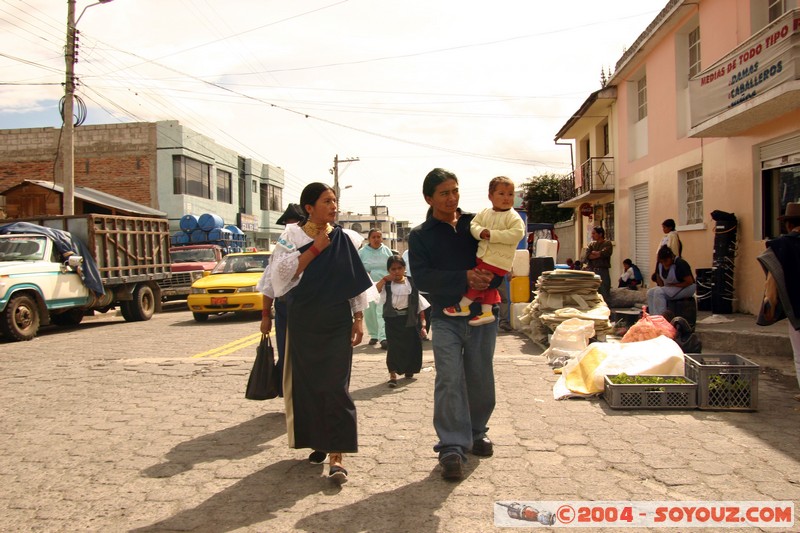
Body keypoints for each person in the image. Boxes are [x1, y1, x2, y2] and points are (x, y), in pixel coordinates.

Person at [256, 183, 375, 484]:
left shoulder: (344, 238)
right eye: (326, 201)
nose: (333, 206)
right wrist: (314, 249)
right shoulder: (290, 236)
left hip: (336, 320)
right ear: (309, 207)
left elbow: (353, 280)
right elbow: (278, 277)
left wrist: (358, 318)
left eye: (335, 201)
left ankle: (338, 455)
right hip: (303, 320)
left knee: (336, 386)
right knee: (309, 386)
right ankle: (319, 441)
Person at [408, 168, 498, 481]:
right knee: (448, 377)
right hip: (445, 316)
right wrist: (464, 277)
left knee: (480, 375)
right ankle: (451, 445)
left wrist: (492, 276)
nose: (452, 198)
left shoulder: (479, 224)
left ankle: (476, 431)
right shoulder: (420, 235)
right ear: (429, 198)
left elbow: (499, 255)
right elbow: (422, 278)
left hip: (482, 314)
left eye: (455, 191)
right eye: (444, 193)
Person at [443, 176, 526, 326]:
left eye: (510, 194)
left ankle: (463, 305)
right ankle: (487, 312)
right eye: (501, 193)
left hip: (498, 260)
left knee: (478, 279)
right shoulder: (485, 213)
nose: (506, 198)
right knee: (487, 285)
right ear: (490, 196)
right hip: (484, 256)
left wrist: (492, 235)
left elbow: (517, 234)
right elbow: (474, 225)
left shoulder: (513, 216)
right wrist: (480, 232)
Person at [756, 202, 800, 402]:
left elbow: (772, 277)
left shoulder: (781, 246)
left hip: (797, 307)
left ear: (788, 225)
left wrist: (770, 304)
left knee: (799, 354)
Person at [268, 203, 306, 397]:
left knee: (305, 357)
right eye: (287, 223)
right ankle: (290, 397)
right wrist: (265, 315)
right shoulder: (280, 249)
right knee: (286, 353)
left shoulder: (315, 243)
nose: (290, 227)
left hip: (307, 309)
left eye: (295, 223)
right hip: (283, 307)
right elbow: (268, 281)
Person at [376, 255, 430, 387]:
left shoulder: (411, 282)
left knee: (411, 346)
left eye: (399, 268)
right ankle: (393, 374)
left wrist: (423, 324)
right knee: (394, 348)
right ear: (389, 270)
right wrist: (383, 280)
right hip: (393, 320)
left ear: (404, 268)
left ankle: (409, 369)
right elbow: (375, 291)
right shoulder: (387, 284)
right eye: (393, 269)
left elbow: (419, 305)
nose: (396, 271)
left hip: (410, 320)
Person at [358, 229, 393, 349]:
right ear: (369, 239)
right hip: (369, 285)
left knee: (381, 311)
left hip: (384, 284)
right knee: (370, 311)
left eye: (379, 236)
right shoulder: (362, 252)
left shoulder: (386, 250)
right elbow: (357, 267)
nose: (377, 239)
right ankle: (374, 334)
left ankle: (383, 337)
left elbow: (392, 265)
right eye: (374, 237)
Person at [647, 245, 696, 316]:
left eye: (666, 261)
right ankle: (654, 318)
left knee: (659, 292)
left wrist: (674, 285)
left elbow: (689, 282)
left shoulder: (680, 263)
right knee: (650, 292)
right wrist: (663, 287)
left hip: (686, 288)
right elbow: (658, 276)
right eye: (662, 262)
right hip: (671, 287)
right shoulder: (659, 264)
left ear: (671, 257)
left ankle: (662, 319)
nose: (664, 264)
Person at [402, 248, 431, 339]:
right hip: (412, 287)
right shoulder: (406, 253)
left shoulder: (428, 252)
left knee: (427, 311)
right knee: (414, 310)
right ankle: (415, 332)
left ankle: (424, 332)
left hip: (427, 288)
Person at [582, 226, 613, 303]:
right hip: (592, 271)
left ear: (600, 234)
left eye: (594, 233)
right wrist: (597, 254)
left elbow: (605, 253)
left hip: (602, 271)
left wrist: (596, 253)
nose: (592, 235)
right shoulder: (591, 244)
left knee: (604, 293)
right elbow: (587, 256)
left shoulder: (607, 243)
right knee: (591, 293)